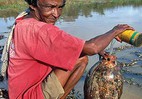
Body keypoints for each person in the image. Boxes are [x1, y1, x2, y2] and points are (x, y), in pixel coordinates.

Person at [6, 0, 134, 98]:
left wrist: (96, 47)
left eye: (60, 7)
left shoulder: (24, 20)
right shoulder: (40, 29)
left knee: (77, 53)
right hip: (30, 95)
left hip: (18, 93)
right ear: (33, 5)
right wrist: (114, 31)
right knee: (81, 59)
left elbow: (67, 44)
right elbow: (92, 48)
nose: (56, 14)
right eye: (50, 7)